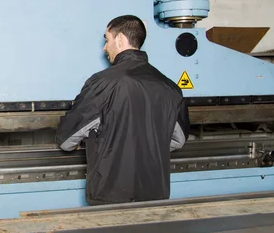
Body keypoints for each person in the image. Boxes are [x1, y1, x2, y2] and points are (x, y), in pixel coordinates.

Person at [56, 15, 190, 206]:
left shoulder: (102, 83)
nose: (104, 47)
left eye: (107, 39)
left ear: (119, 40)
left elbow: (67, 140)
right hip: (155, 195)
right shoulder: (170, 87)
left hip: (111, 197)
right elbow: (178, 140)